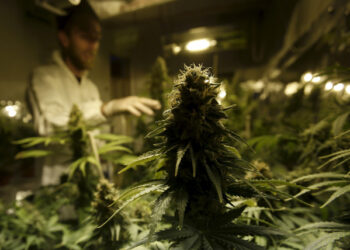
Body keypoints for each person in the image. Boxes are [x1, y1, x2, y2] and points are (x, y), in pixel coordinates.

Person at [27, 3, 161, 185]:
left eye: (96, 38)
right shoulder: (44, 76)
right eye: (85, 37)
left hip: (92, 181)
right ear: (64, 38)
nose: (93, 46)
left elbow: (98, 137)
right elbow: (51, 126)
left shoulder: (91, 87)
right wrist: (106, 109)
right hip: (59, 184)